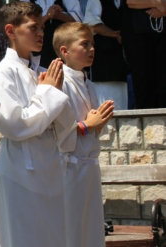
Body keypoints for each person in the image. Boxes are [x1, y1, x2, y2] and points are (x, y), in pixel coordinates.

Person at [0, 1, 76, 247]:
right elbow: (14, 125)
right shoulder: (4, 72)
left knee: (53, 237)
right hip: (20, 170)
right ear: (11, 31)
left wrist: (55, 92)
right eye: (33, 27)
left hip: (49, 166)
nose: (41, 33)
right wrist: (48, 93)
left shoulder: (44, 70)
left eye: (42, 28)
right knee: (21, 237)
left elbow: (67, 125)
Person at [53, 22, 114, 247]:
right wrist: (88, 125)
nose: (91, 49)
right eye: (85, 44)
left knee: (92, 229)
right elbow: (56, 131)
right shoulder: (60, 83)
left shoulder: (88, 83)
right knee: (72, 229)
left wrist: (99, 121)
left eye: (93, 44)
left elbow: (93, 124)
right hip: (69, 167)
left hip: (89, 166)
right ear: (65, 51)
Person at [20, 0, 82, 68]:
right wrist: (47, 16)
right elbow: (24, 22)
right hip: (37, 45)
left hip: (60, 44)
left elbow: (79, 20)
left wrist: (59, 15)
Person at [84, 0, 129, 110]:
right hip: (104, 53)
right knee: (105, 93)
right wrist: (114, 34)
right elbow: (91, 22)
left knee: (123, 90)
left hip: (125, 52)